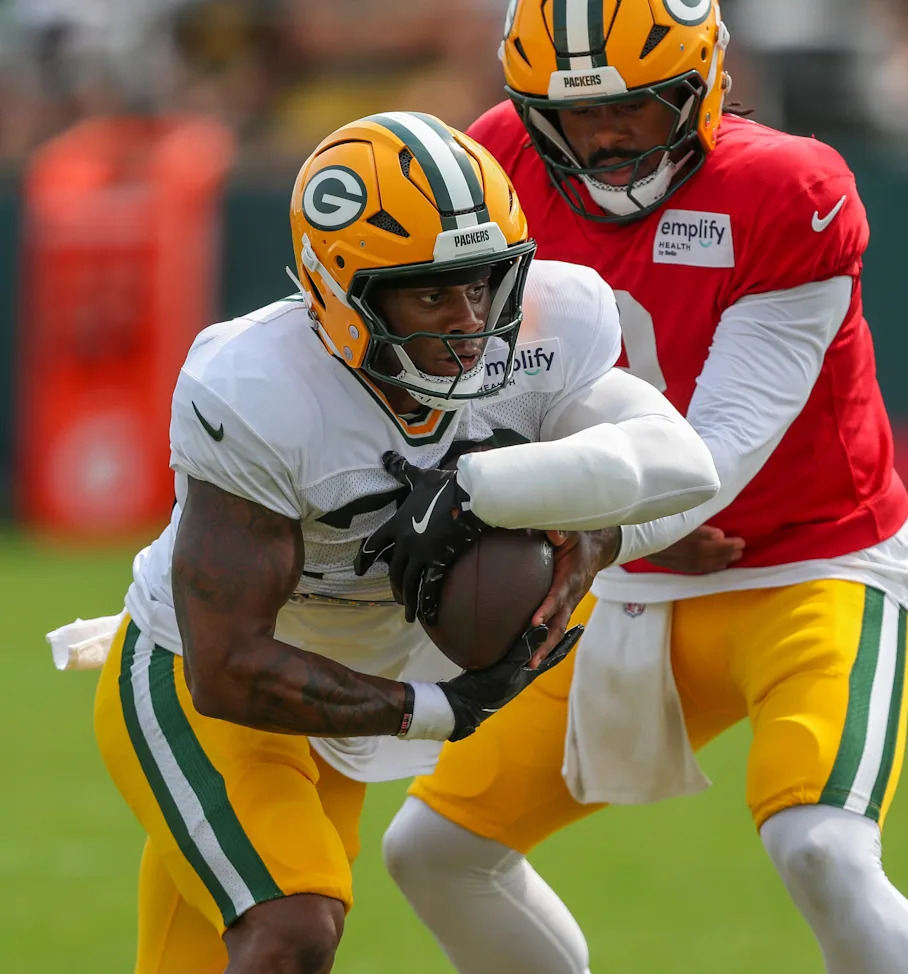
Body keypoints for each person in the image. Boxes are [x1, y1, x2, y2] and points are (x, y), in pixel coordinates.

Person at [382, 4, 908, 974]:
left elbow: (719, 451)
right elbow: (485, 385)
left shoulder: (788, 188)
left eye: (635, 108)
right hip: (623, 577)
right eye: (574, 112)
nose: (602, 136)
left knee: (821, 847)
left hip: (810, 562)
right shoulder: (501, 160)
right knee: (434, 851)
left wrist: (599, 530)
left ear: (705, 84)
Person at [83, 109, 719, 973]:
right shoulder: (258, 388)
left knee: (220, 951)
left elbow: (681, 462)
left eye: (484, 281)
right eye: (430, 292)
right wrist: (440, 711)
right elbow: (226, 666)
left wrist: (557, 524)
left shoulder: (550, 321)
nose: (468, 320)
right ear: (341, 292)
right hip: (204, 686)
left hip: (350, 694)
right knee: (293, 928)